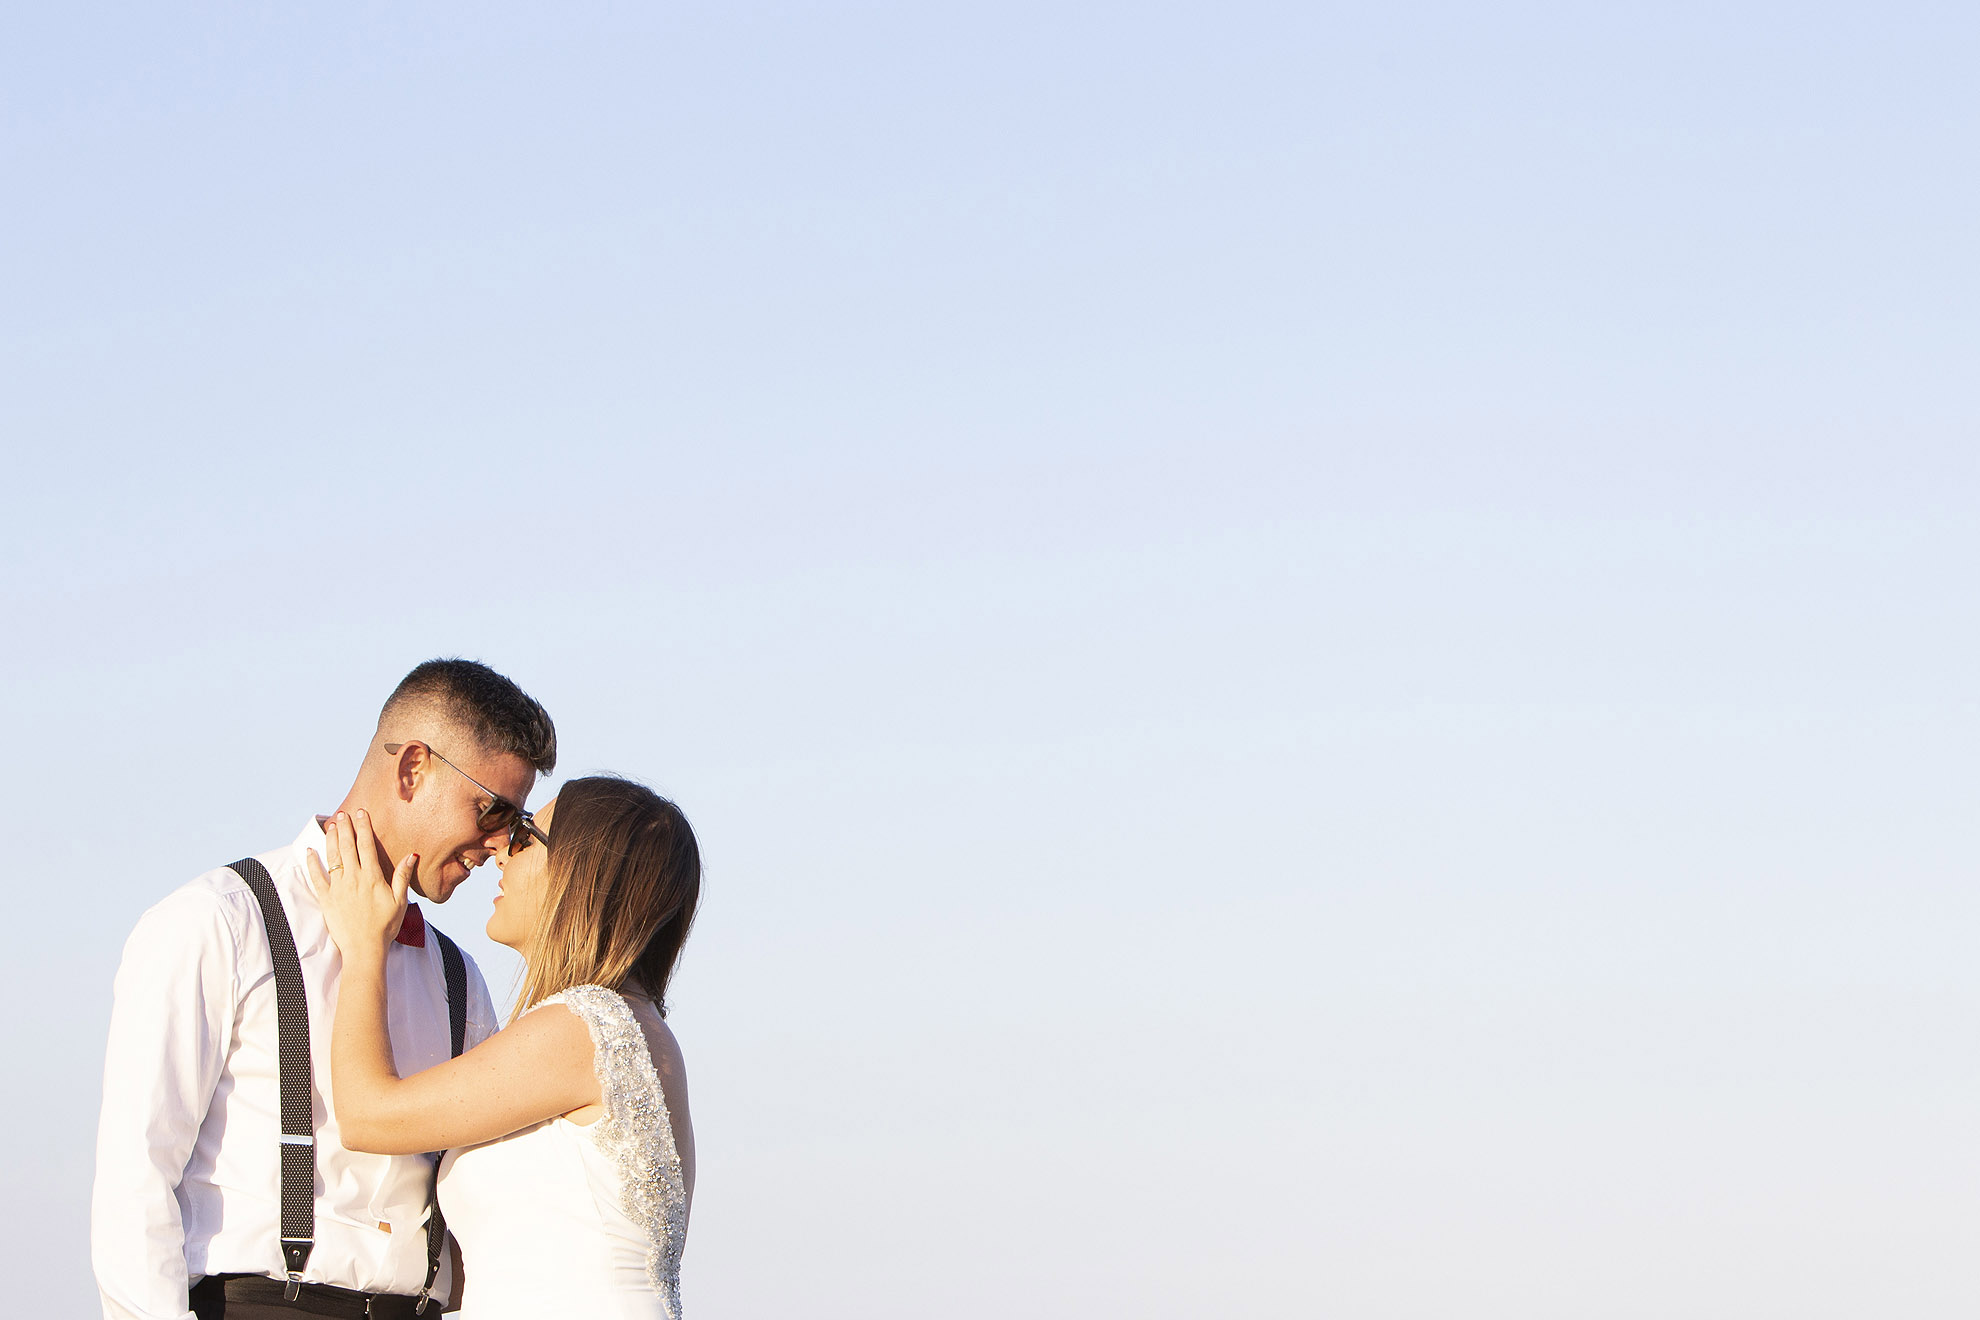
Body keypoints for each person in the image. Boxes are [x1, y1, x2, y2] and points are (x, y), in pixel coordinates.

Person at [92, 659, 558, 1320]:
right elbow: (136, 1178)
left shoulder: (461, 979)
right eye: (493, 809)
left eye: (516, 822)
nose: (499, 844)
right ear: (413, 768)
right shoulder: (218, 921)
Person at [307, 776, 700, 1319]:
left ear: (579, 874)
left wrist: (364, 946)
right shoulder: (636, 1028)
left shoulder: (582, 1027)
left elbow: (367, 1116)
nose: (499, 850)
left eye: (524, 836)